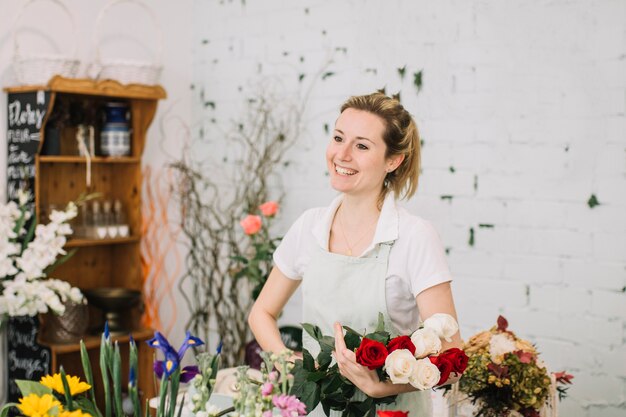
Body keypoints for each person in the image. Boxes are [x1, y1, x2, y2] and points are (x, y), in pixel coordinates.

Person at [248, 92, 462, 416]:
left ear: (393, 160)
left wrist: (381, 387)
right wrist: (289, 363)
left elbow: (452, 355)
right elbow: (261, 313)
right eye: (338, 138)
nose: (342, 154)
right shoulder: (309, 227)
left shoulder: (415, 237)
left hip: (393, 412)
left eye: (361, 146)